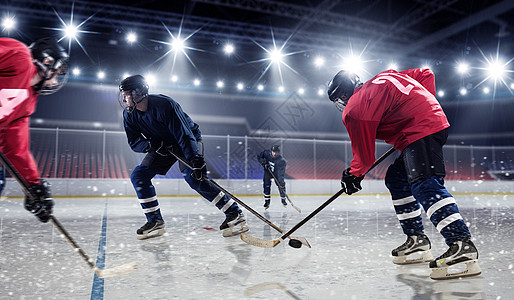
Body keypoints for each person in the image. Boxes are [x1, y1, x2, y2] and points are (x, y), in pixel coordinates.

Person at [327, 68, 481, 280]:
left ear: (343, 95)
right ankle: (417, 239)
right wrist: (422, 106)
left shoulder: (354, 107)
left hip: (421, 129)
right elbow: (426, 74)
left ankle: (462, 244)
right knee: (397, 179)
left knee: (424, 183)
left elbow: (364, 158)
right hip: (423, 125)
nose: (341, 103)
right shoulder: (385, 75)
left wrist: (352, 176)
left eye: (339, 99)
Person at [119, 75, 249, 239]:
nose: (124, 100)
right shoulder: (129, 115)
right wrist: (150, 145)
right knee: (139, 176)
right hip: (163, 146)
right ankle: (155, 221)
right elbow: (134, 141)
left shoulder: (165, 105)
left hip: (186, 140)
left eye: (126, 95)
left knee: (194, 178)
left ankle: (234, 213)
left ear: (138, 93)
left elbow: (184, 134)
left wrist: (195, 159)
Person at [0, 37, 69, 223]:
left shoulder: (28, 102)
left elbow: (16, 149)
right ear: (47, 62)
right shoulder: (19, 55)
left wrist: (34, 185)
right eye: (57, 72)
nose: (55, 81)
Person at [257, 145, 287, 209]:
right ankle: (267, 201)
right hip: (268, 172)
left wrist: (281, 182)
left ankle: (283, 199)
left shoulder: (282, 161)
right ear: (271, 151)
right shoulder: (266, 153)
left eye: (276, 152)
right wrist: (263, 163)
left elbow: (281, 173)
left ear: (279, 152)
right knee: (266, 184)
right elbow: (259, 156)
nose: (274, 153)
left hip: (277, 173)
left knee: (281, 185)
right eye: (273, 152)